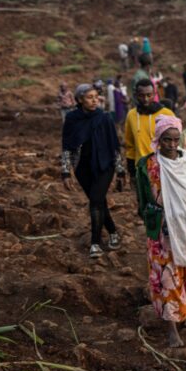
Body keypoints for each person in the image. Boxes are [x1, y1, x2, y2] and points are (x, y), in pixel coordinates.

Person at [135, 115, 186, 347]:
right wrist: (158, 218)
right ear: (158, 139)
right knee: (166, 277)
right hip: (162, 234)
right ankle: (171, 329)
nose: (171, 145)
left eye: (175, 140)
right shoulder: (148, 165)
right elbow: (142, 199)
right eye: (166, 140)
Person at [61, 84, 125, 258]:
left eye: (96, 97)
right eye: (90, 97)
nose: (94, 100)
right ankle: (113, 231)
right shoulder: (72, 119)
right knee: (98, 202)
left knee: (96, 200)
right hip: (82, 167)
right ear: (80, 100)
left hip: (105, 165)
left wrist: (120, 170)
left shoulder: (105, 118)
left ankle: (95, 243)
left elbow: (114, 146)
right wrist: (66, 172)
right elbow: (67, 147)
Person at [125, 79, 174, 183]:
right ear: (135, 95)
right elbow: (130, 146)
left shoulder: (166, 114)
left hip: (164, 167)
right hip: (141, 169)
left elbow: (176, 142)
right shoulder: (131, 115)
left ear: (155, 94)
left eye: (149, 95)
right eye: (141, 95)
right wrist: (132, 172)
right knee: (142, 199)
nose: (146, 99)